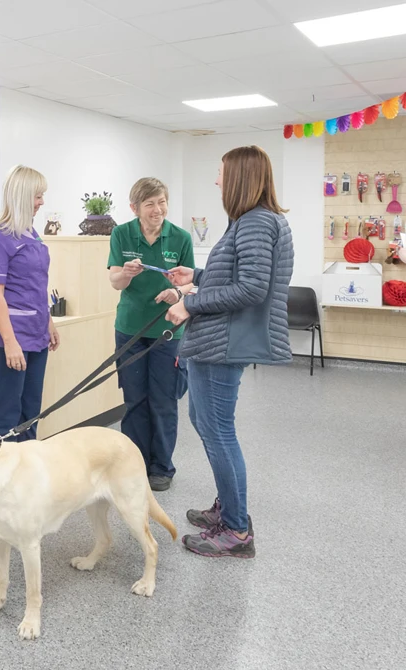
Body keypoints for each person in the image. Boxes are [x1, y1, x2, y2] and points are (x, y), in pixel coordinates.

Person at [165, 145, 293, 559]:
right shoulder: (249, 221)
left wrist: (189, 303)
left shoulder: (255, 222)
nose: (217, 180)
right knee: (206, 421)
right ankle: (229, 506)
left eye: (221, 172)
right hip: (217, 339)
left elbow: (252, 289)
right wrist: (197, 276)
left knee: (219, 431)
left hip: (224, 343)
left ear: (239, 177)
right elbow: (237, 277)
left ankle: (236, 531)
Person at [107, 178, 194, 492]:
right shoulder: (121, 234)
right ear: (135, 208)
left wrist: (177, 293)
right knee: (134, 400)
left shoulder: (180, 237)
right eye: (150, 204)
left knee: (163, 400)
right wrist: (126, 274)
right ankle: (135, 463)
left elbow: (189, 282)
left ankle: (161, 467)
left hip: (167, 330)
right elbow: (115, 281)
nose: (158, 210)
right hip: (130, 329)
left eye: (162, 202)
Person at [0, 165, 60, 443]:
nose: (42, 202)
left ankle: (26, 482)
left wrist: (48, 322)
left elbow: (37, 284)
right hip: (6, 339)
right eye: (37, 196)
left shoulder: (31, 235)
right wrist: (10, 343)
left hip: (35, 335)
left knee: (30, 414)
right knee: (5, 415)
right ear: (22, 196)